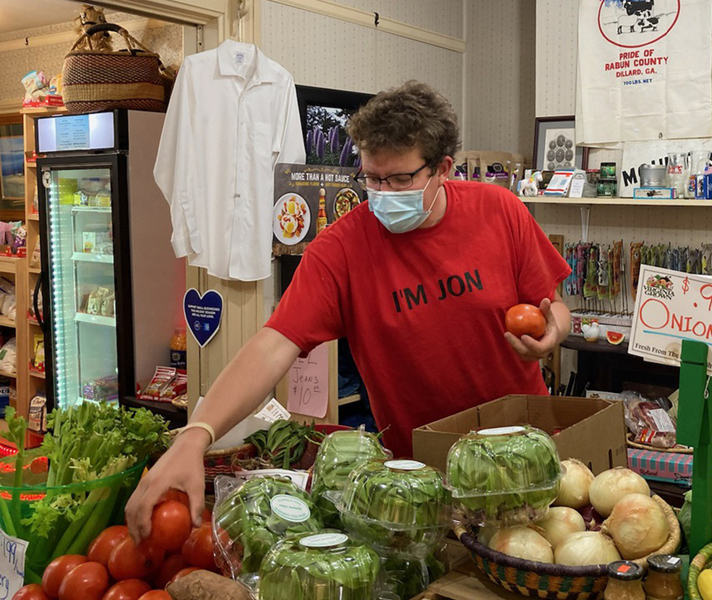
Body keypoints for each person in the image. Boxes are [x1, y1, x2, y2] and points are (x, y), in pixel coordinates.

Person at [125, 80, 572, 540]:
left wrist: (553, 331)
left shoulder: (499, 210)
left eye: (400, 179)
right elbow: (273, 346)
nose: (383, 193)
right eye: (372, 178)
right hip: (424, 479)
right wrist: (196, 433)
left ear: (443, 169)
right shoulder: (341, 249)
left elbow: (555, 305)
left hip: (526, 456)